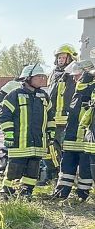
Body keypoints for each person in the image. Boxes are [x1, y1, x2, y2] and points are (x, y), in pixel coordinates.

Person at [0, 63, 54, 199]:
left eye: (43, 76)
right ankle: (7, 190)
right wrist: (9, 135)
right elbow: (3, 116)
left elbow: (50, 117)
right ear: (27, 78)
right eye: (39, 76)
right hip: (19, 143)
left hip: (37, 143)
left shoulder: (44, 96)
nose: (42, 79)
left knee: (33, 168)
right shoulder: (15, 95)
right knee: (15, 167)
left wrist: (50, 135)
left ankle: (26, 191)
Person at [53, 60, 95, 201]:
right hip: (71, 137)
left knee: (85, 169)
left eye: (77, 76)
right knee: (66, 168)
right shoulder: (78, 91)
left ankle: (83, 195)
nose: (73, 78)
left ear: (85, 74)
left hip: (84, 139)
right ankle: (61, 193)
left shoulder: (90, 89)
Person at [41, 44, 80, 184]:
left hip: (68, 120)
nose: (61, 59)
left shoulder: (73, 73)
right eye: (59, 57)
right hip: (53, 118)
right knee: (50, 148)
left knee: (67, 150)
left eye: (64, 57)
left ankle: (66, 177)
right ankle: (54, 174)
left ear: (70, 58)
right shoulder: (53, 74)